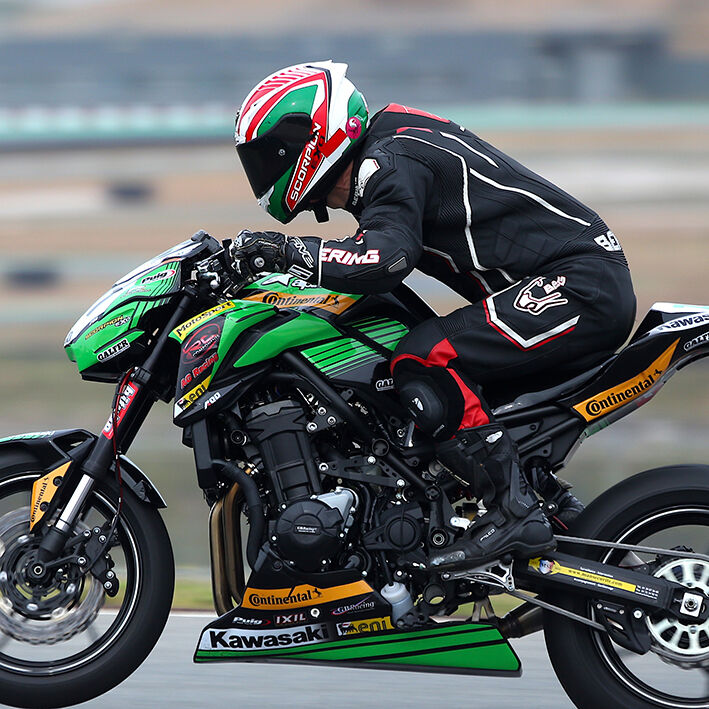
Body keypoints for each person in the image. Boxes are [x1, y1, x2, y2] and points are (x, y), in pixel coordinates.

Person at [231, 61, 636, 570]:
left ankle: (513, 511)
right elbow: (379, 262)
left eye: (271, 155)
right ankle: (563, 522)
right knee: (416, 369)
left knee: (425, 356)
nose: (265, 171)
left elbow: (385, 258)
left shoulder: (388, 160)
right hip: (572, 283)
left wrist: (287, 252)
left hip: (579, 285)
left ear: (313, 136)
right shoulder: (385, 149)